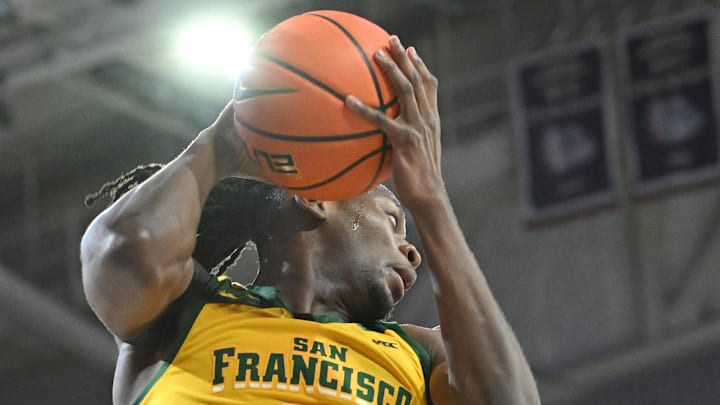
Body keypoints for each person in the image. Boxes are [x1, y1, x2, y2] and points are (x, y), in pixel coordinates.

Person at [81, 33, 540, 405]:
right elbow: (125, 251)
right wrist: (221, 145)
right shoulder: (181, 315)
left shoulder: (423, 353)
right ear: (318, 198)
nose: (413, 251)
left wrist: (431, 201)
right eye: (393, 220)